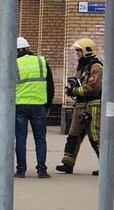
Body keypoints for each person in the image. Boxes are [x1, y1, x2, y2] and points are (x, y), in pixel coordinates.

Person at [56, 38, 104, 175]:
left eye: (79, 50)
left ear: (86, 51)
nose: (77, 53)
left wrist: (74, 91)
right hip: (80, 106)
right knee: (73, 135)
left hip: (93, 107)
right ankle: (67, 163)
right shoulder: (83, 67)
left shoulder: (96, 67)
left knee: (95, 136)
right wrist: (72, 88)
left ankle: (105, 165)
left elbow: (93, 88)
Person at [14, 37, 54, 178]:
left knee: (20, 138)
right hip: (38, 105)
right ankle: (42, 170)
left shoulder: (14, 63)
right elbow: (50, 86)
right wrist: (48, 105)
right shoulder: (41, 61)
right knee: (40, 138)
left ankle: (21, 170)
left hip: (19, 105)